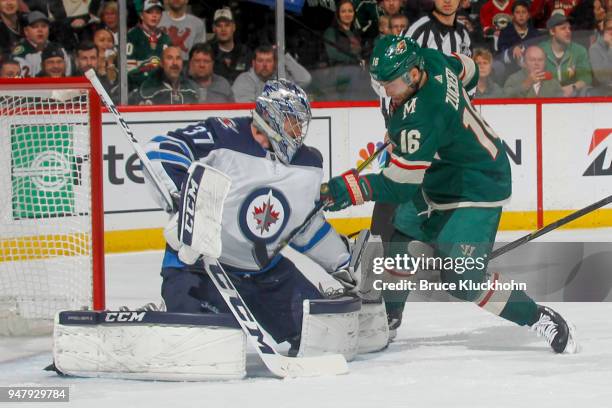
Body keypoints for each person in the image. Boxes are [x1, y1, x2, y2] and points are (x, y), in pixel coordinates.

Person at [321, 35, 577, 354]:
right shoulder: (431, 59)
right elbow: (468, 69)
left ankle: (537, 316)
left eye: (390, 84)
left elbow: (399, 185)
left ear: (413, 75)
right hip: (442, 173)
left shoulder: (424, 115)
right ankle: (390, 317)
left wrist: (346, 189)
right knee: (401, 237)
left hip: (477, 185)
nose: (386, 91)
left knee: (462, 280)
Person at [144, 79, 351, 354]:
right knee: (208, 346)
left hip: (264, 273)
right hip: (199, 267)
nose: (299, 131)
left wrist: (345, 263)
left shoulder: (308, 164)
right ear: (273, 117)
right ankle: (165, 315)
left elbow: (306, 229)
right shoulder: (223, 134)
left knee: (323, 339)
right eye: (292, 121)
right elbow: (161, 149)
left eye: (301, 123)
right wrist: (183, 199)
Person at [232, 45, 311, 103]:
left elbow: (305, 80)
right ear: (253, 63)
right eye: (260, 61)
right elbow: (247, 110)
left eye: (269, 61)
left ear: (275, 64)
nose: (265, 65)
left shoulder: (280, 77)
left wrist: (284, 54)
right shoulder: (244, 80)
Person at [539, 13, 593, 96]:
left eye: (569, 28)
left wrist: (572, 87)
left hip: (573, 97)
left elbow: (586, 78)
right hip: (547, 97)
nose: (568, 31)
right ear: (552, 31)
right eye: (563, 28)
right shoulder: (539, 51)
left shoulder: (579, 50)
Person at [126, 0, 172, 90]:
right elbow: (129, 71)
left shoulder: (166, 39)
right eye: (149, 12)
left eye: (158, 12)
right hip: (137, 89)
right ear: (141, 15)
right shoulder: (131, 36)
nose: (154, 15)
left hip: (162, 90)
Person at [132, 45, 199, 105]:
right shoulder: (147, 92)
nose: (175, 63)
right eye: (170, 58)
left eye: (178, 58)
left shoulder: (192, 90)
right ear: (161, 63)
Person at [12, 11, 71, 77]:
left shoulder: (59, 49)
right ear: (26, 31)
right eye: (35, 26)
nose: (40, 30)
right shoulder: (21, 54)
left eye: (44, 26)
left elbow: (68, 75)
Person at [405, 0, 472, 56]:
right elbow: (402, 66)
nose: (447, 1)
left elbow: (469, 67)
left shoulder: (463, 31)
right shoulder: (419, 30)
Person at [497, 0, 541, 80]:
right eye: (517, 12)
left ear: (528, 15)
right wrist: (512, 49)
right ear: (512, 15)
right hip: (510, 71)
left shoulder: (535, 33)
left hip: (532, 71)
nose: (521, 15)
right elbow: (501, 52)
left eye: (524, 12)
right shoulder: (505, 32)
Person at [210, 7, 252, 84]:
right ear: (214, 28)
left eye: (227, 25)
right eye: (219, 26)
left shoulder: (245, 52)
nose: (223, 29)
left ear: (233, 27)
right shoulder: (208, 53)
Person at [323, 0, 363, 66]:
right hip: (338, 71)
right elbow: (332, 55)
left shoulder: (355, 33)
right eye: (343, 11)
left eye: (350, 11)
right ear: (338, 14)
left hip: (357, 71)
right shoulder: (331, 32)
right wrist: (355, 59)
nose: (347, 14)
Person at [588, 12, 612, 95]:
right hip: (605, 94)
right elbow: (602, 77)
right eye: (610, 29)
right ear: (604, 30)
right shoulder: (595, 49)